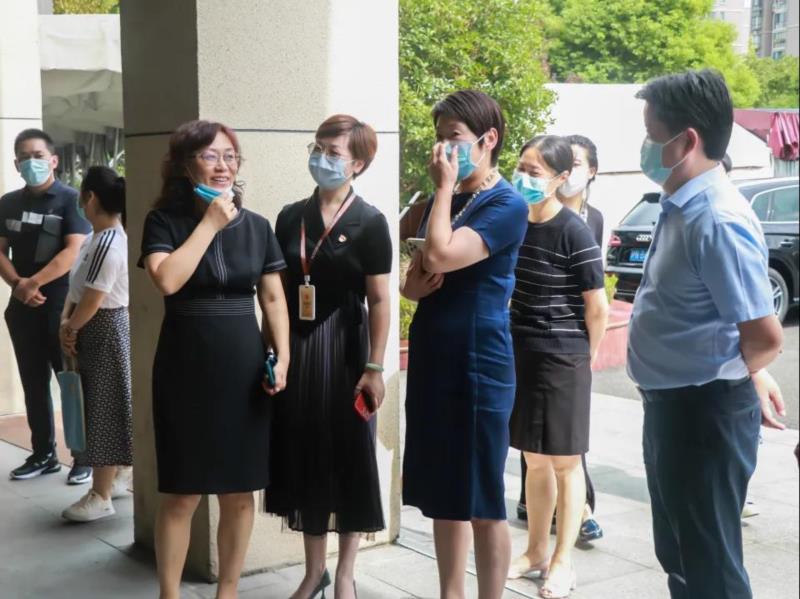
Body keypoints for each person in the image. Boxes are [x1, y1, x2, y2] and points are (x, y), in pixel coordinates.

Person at [628, 69, 785, 599]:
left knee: (710, 567)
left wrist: (742, 374)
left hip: (703, 413)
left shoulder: (715, 219)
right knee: (681, 556)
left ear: (686, 141)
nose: (646, 147)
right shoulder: (684, 206)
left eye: (651, 135)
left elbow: (765, 336)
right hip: (676, 406)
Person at [139, 120, 290, 599]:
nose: (223, 166)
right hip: (184, 365)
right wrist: (209, 223)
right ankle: (169, 593)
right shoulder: (163, 221)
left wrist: (283, 356)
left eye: (230, 156)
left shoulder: (258, 226)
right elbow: (167, 280)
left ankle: (229, 592)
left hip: (243, 366)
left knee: (239, 492)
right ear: (185, 165)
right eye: (210, 156)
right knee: (182, 492)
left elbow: (272, 298)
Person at [402, 90, 528, 599]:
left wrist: (443, 189)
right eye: (440, 137)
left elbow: (440, 254)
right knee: (444, 492)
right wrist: (414, 284)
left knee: (481, 496)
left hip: (478, 357)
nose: (443, 148)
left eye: (453, 137)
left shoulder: (508, 204)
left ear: (488, 139)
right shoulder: (445, 198)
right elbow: (414, 280)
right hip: (434, 350)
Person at [265, 115, 392, 599]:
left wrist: (374, 367)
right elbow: (274, 292)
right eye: (317, 149)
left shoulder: (370, 222)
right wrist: (272, 350)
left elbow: (379, 300)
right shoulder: (290, 216)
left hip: (345, 349)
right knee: (305, 454)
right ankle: (314, 571)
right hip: (297, 348)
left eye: (334, 153)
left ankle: (344, 575)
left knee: (348, 456)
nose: (322, 159)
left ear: (358, 163)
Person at [506, 135, 608, 598]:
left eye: (535, 172)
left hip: (564, 356)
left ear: (561, 178)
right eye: (521, 167)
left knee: (566, 463)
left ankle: (563, 562)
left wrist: (585, 359)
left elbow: (597, 307)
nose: (524, 178)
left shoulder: (574, 231)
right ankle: (535, 552)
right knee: (533, 460)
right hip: (522, 351)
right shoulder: (516, 221)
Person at [0, 128, 92, 485]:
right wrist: (18, 285)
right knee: (33, 382)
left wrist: (32, 283)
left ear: (53, 160)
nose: (31, 162)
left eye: (38, 156)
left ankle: (84, 457)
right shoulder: (8, 202)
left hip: (61, 307)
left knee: (70, 382)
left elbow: (73, 250)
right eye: (24, 157)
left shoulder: (71, 200)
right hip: (22, 308)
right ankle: (43, 454)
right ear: (16, 164)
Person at [59, 166, 132, 521]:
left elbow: (94, 297)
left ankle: (101, 495)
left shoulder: (109, 242)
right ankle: (115, 477)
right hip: (88, 325)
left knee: (105, 408)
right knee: (96, 405)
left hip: (104, 327)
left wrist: (70, 327)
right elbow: (77, 291)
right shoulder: (95, 238)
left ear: (90, 197)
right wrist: (67, 321)